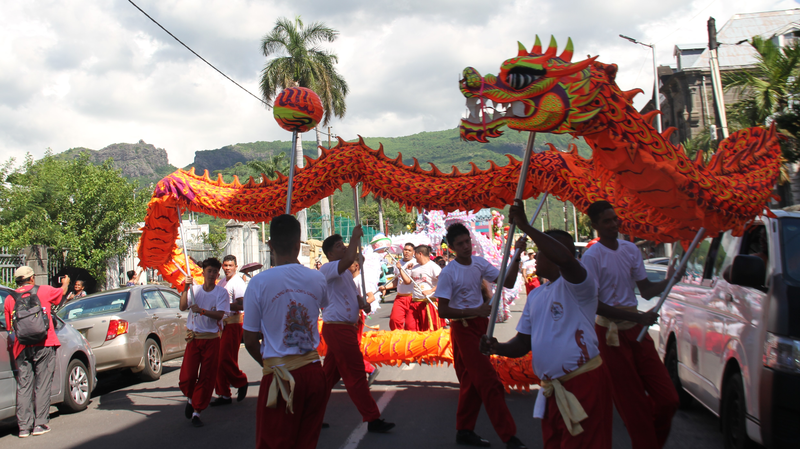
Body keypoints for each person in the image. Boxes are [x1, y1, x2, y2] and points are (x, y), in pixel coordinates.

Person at [482, 202, 612, 449]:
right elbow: (522, 343)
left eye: (541, 250)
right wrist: (496, 346)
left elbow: (566, 259)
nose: (537, 256)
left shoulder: (579, 284)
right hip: (551, 389)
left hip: (582, 384)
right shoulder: (536, 295)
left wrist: (526, 226)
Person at [581, 200, 679, 449]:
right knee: (634, 407)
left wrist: (670, 280)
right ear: (595, 226)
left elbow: (646, 291)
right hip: (609, 335)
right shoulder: (592, 256)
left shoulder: (631, 250)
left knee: (668, 399)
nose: (614, 224)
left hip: (637, 330)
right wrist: (638, 318)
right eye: (607, 221)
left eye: (614, 218)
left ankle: (650, 442)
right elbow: (593, 304)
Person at [435, 223, 527, 449]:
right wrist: (474, 311)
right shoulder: (448, 272)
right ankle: (509, 437)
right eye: (460, 244)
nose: (466, 246)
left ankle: (464, 431)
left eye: (467, 241)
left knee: (471, 381)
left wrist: (516, 254)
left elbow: (508, 282)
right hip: (463, 328)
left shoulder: (479, 263)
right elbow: (443, 311)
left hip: (481, 326)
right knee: (489, 381)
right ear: (452, 247)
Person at [243, 215, 329, 449]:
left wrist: (269, 363)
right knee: (306, 442)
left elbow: (249, 339)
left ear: (270, 245)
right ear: (298, 244)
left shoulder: (258, 283)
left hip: (279, 374)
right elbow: (325, 307)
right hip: (312, 372)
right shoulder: (317, 278)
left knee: (274, 443)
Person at [320, 227, 395, 433]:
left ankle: (309, 414)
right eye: (339, 246)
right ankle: (372, 417)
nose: (344, 248)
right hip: (338, 329)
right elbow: (349, 259)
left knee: (327, 378)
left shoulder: (345, 275)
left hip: (345, 328)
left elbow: (354, 298)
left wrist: (363, 304)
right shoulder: (329, 269)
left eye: (344, 245)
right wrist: (354, 237)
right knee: (355, 375)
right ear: (330, 254)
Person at [4, 267, 70, 438]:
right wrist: (66, 283)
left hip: (21, 347)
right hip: (44, 343)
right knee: (42, 383)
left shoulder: (9, 299)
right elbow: (61, 293)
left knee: (24, 386)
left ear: (17, 280)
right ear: (32, 278)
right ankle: (40, 424)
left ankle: (24, 428)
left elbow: (10, 328)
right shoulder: (44, 291)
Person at [178, 257, 230, 428]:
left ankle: (197, 411)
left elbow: (221, 314)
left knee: (206, 376)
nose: (212, 274)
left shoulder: (221, 293)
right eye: (209, 271)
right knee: (188, 376)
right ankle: (191, 398)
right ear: (203, 272)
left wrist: (202, 311)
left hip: (211, 339)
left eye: (215, 271)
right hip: (194, 339)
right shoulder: (195, 290)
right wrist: (186, 287)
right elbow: (182, 306)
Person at [210, 255, 248, 406]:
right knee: (218, 361)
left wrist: (224, 305)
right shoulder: (222, 282)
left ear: (236, 266)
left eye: (230, 265)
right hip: (220, 324)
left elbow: (243, 305)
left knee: (225, 358)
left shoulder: (237, 282)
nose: (227, 268)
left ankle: (241, 380)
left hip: (233, 324)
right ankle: (224, 393)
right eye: (225, 265)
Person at [348, 260, 380, 386]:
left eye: (349, 264)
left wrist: (361, 305)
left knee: (352, 346)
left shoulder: (361, 280)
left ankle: (370, 369)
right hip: (350, 314)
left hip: (356, 316)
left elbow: (371, 297)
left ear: (356, 266)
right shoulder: (350, 279)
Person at [404, 245, 445, 331]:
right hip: (415, 302)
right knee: (409, 327)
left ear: (420, 254)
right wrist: (401, 269)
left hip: (429, 302)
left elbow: (444, 282)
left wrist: (431, 290)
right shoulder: (414, 267)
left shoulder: (433, 267)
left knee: (430, 330)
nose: (414, 257)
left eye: (415, 254)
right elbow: (407, 281)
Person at [379, 242, 416, 330]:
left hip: (413, 297)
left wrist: (401, 268)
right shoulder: (398, 263)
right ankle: (398, 340)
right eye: (405, 250)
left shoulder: (415, 263)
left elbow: (407, 281)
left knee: (410, 324)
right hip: (400, 297)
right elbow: (396, 281)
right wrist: (385, 287)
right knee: (395, 320)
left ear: (413, 252)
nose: (406, 252)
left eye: (409, 250)